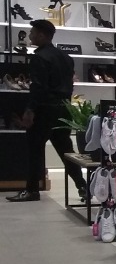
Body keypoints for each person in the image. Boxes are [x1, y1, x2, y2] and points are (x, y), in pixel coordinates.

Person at [6, 19, 88, 203]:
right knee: (66, 150)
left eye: (33, 32)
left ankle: (32, 190)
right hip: (63, 109)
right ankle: (83, 186)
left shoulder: (39, 58)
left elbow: (39, 87)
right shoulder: (66, 58)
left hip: (44, 110)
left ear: (42, 35)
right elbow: (69, 85)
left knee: (35, 150)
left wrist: (30, 109)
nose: (30, 36)